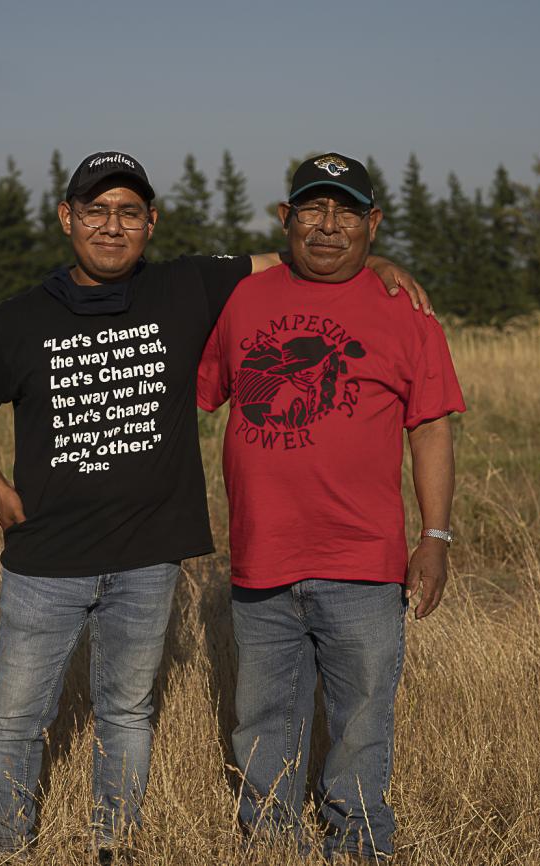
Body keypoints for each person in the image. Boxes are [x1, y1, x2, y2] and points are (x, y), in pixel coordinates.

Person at [0, 151, 432, 860]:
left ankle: (115, 846)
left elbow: (302, 253)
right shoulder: (20, 319)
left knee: (128, 713)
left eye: (129, 212)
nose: (112, 225)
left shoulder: (186, 286)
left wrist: (378, 266)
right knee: (16, 717)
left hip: (147, 558)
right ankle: (4, 846)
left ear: (151, 223)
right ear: (67, 218)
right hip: (44, 559)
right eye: (95, 210)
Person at [197, 152, 465, 860]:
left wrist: (434, 536)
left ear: (372, 224)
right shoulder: (242, 300)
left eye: (346, 211)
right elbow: (200, 391)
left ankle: (359, 845)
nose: (328, 224)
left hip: (364, 562)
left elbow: (431, 425)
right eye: (312, 208)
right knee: (261, 722)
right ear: (285, 219)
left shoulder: (405, 312)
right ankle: (273, 847)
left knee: (361, 724)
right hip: (262, 558)